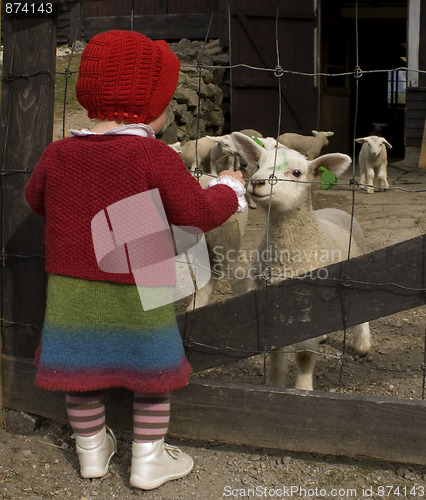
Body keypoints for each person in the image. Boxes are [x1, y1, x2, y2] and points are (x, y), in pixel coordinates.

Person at [25, 30, 246, 491]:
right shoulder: (152, 154)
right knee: (152, 373)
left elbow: (36, 199)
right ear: (152, 104)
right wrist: (229, 188)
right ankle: (148, 460)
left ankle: (91, 454)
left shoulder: (59, 152)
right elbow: (197, 213)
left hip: (71, 279)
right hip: (141, 272)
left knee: (79, 371)